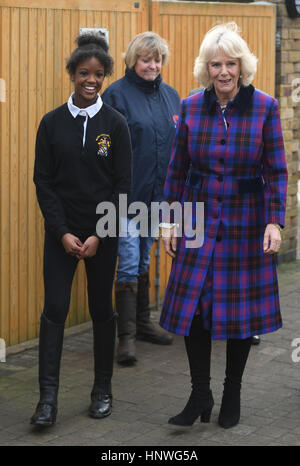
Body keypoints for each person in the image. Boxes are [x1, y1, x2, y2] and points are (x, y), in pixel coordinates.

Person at [160, 22, 287, 429]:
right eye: (216, 64)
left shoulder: (264, 107)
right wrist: (169, 221)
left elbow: (277, 169)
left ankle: (232, 391)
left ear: (242, 66)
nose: (224, 72)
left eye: (231, 63)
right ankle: (201, 393)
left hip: (246, 222)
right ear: (206, 68)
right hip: (196, 218)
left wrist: (274, 221)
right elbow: (177, 169)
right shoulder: (191, 106)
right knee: (194, 310)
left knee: (238, 314)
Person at [31, 32, 132, 426]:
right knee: (54, 309)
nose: (91, 80)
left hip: (100, 236)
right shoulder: (51, 123)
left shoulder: (116, 124)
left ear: (105, 77)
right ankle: (47, 402)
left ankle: (102, 390)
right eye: (83, 73)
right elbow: (44, 182)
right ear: (72, 74)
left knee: (101, 309)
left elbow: (123, 187)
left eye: (99, 74)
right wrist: (61, 232)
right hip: (61, 236)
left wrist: (97, 234)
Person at [102, 31, 180, 366]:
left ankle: (144, 323)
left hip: (156, 198)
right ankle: (126, 338)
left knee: (145, 260)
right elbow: (102, 149)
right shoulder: (115, 96)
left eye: (158, 59)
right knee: (131, 256)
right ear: (133, 60)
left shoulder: (171, 96)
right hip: (124, 198)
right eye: (146, 59)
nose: (153, 65)